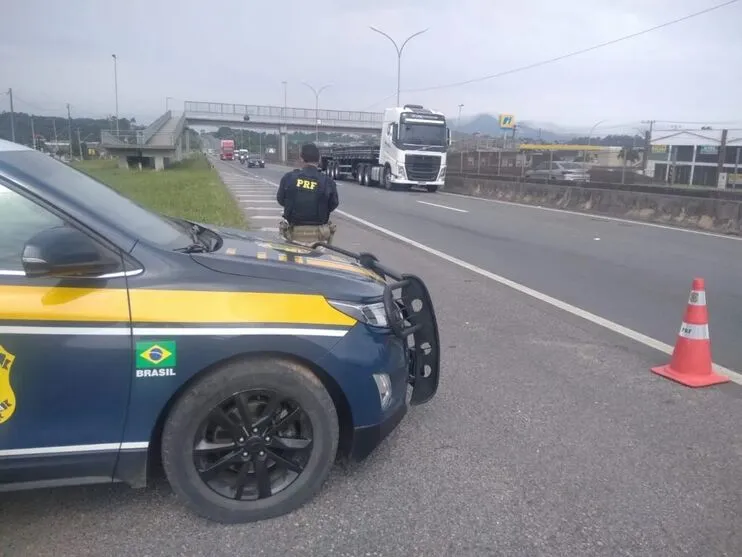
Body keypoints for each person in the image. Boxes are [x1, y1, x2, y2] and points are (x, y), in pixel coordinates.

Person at [277, 143, 339, 245]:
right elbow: (333, 204)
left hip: (293, 235)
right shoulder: (328, 182)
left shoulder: (289, 178)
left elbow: (281, 200)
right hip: (319, 238)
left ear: (301, 158)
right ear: (319, 160)